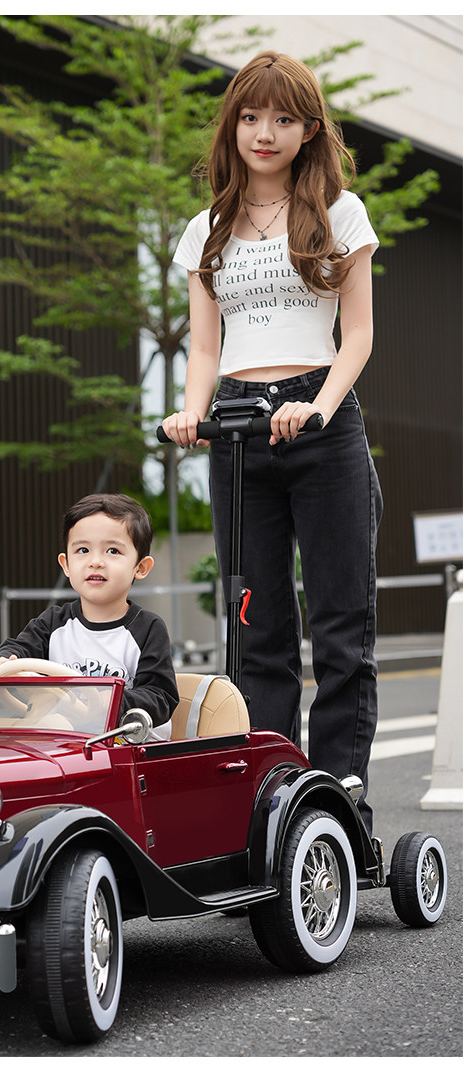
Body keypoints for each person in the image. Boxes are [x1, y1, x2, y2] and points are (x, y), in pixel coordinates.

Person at [162, 51, 382, 833]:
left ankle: (342, 800)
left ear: (309, 130)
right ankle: (271, 805)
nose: (265, 132)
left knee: (341, 626)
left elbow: (358, 336)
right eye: (251, 117)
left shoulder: (340, 213)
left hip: (322, 420)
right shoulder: (207, 230)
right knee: (257, 630)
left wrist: (316, 406)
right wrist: (189, 414)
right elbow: (206, 348)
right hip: (237, 428)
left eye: (284, 119)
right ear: (232, 126)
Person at [0, 493, 179, 739]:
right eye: (83, 550)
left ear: (140, 567)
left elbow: (161, 697)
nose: (95, 562)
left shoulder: (148, 628)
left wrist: (112, 702)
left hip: (127, 745)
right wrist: (3, 660)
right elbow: (19, 648)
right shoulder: (53, 623)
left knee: (55, 724)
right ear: (66, 564)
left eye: (112, 551)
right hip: (66, 738)